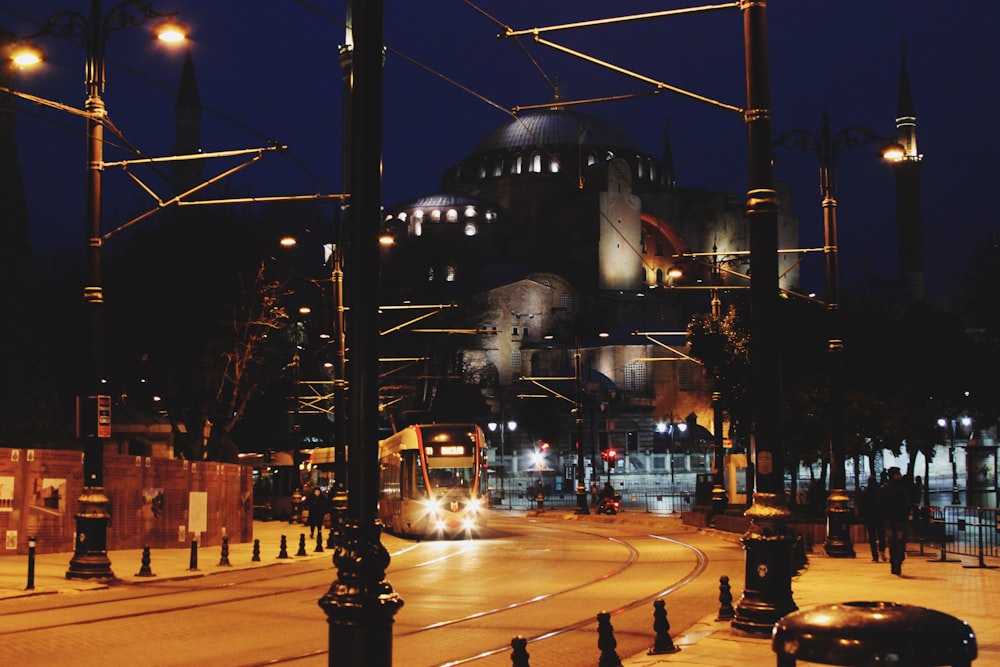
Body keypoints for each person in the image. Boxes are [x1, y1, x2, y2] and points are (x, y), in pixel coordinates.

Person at [877, 467, 913, 575]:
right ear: (895, 475)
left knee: (892, 542)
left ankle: (894, 562)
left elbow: (879, 504)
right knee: (900, 541)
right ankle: (898, 560)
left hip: (889, 520)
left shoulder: (884, 488)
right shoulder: (902, 488)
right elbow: (907, 503)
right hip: (899, 520)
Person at [857, 475, 885, 562]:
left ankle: (875, 556)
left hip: (870, 516)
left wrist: (862, 515)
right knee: (881, 534)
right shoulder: (880, 491)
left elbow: (861, 504)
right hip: (880, 515)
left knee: (872, 536)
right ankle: (881, 549)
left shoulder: (866, 492)